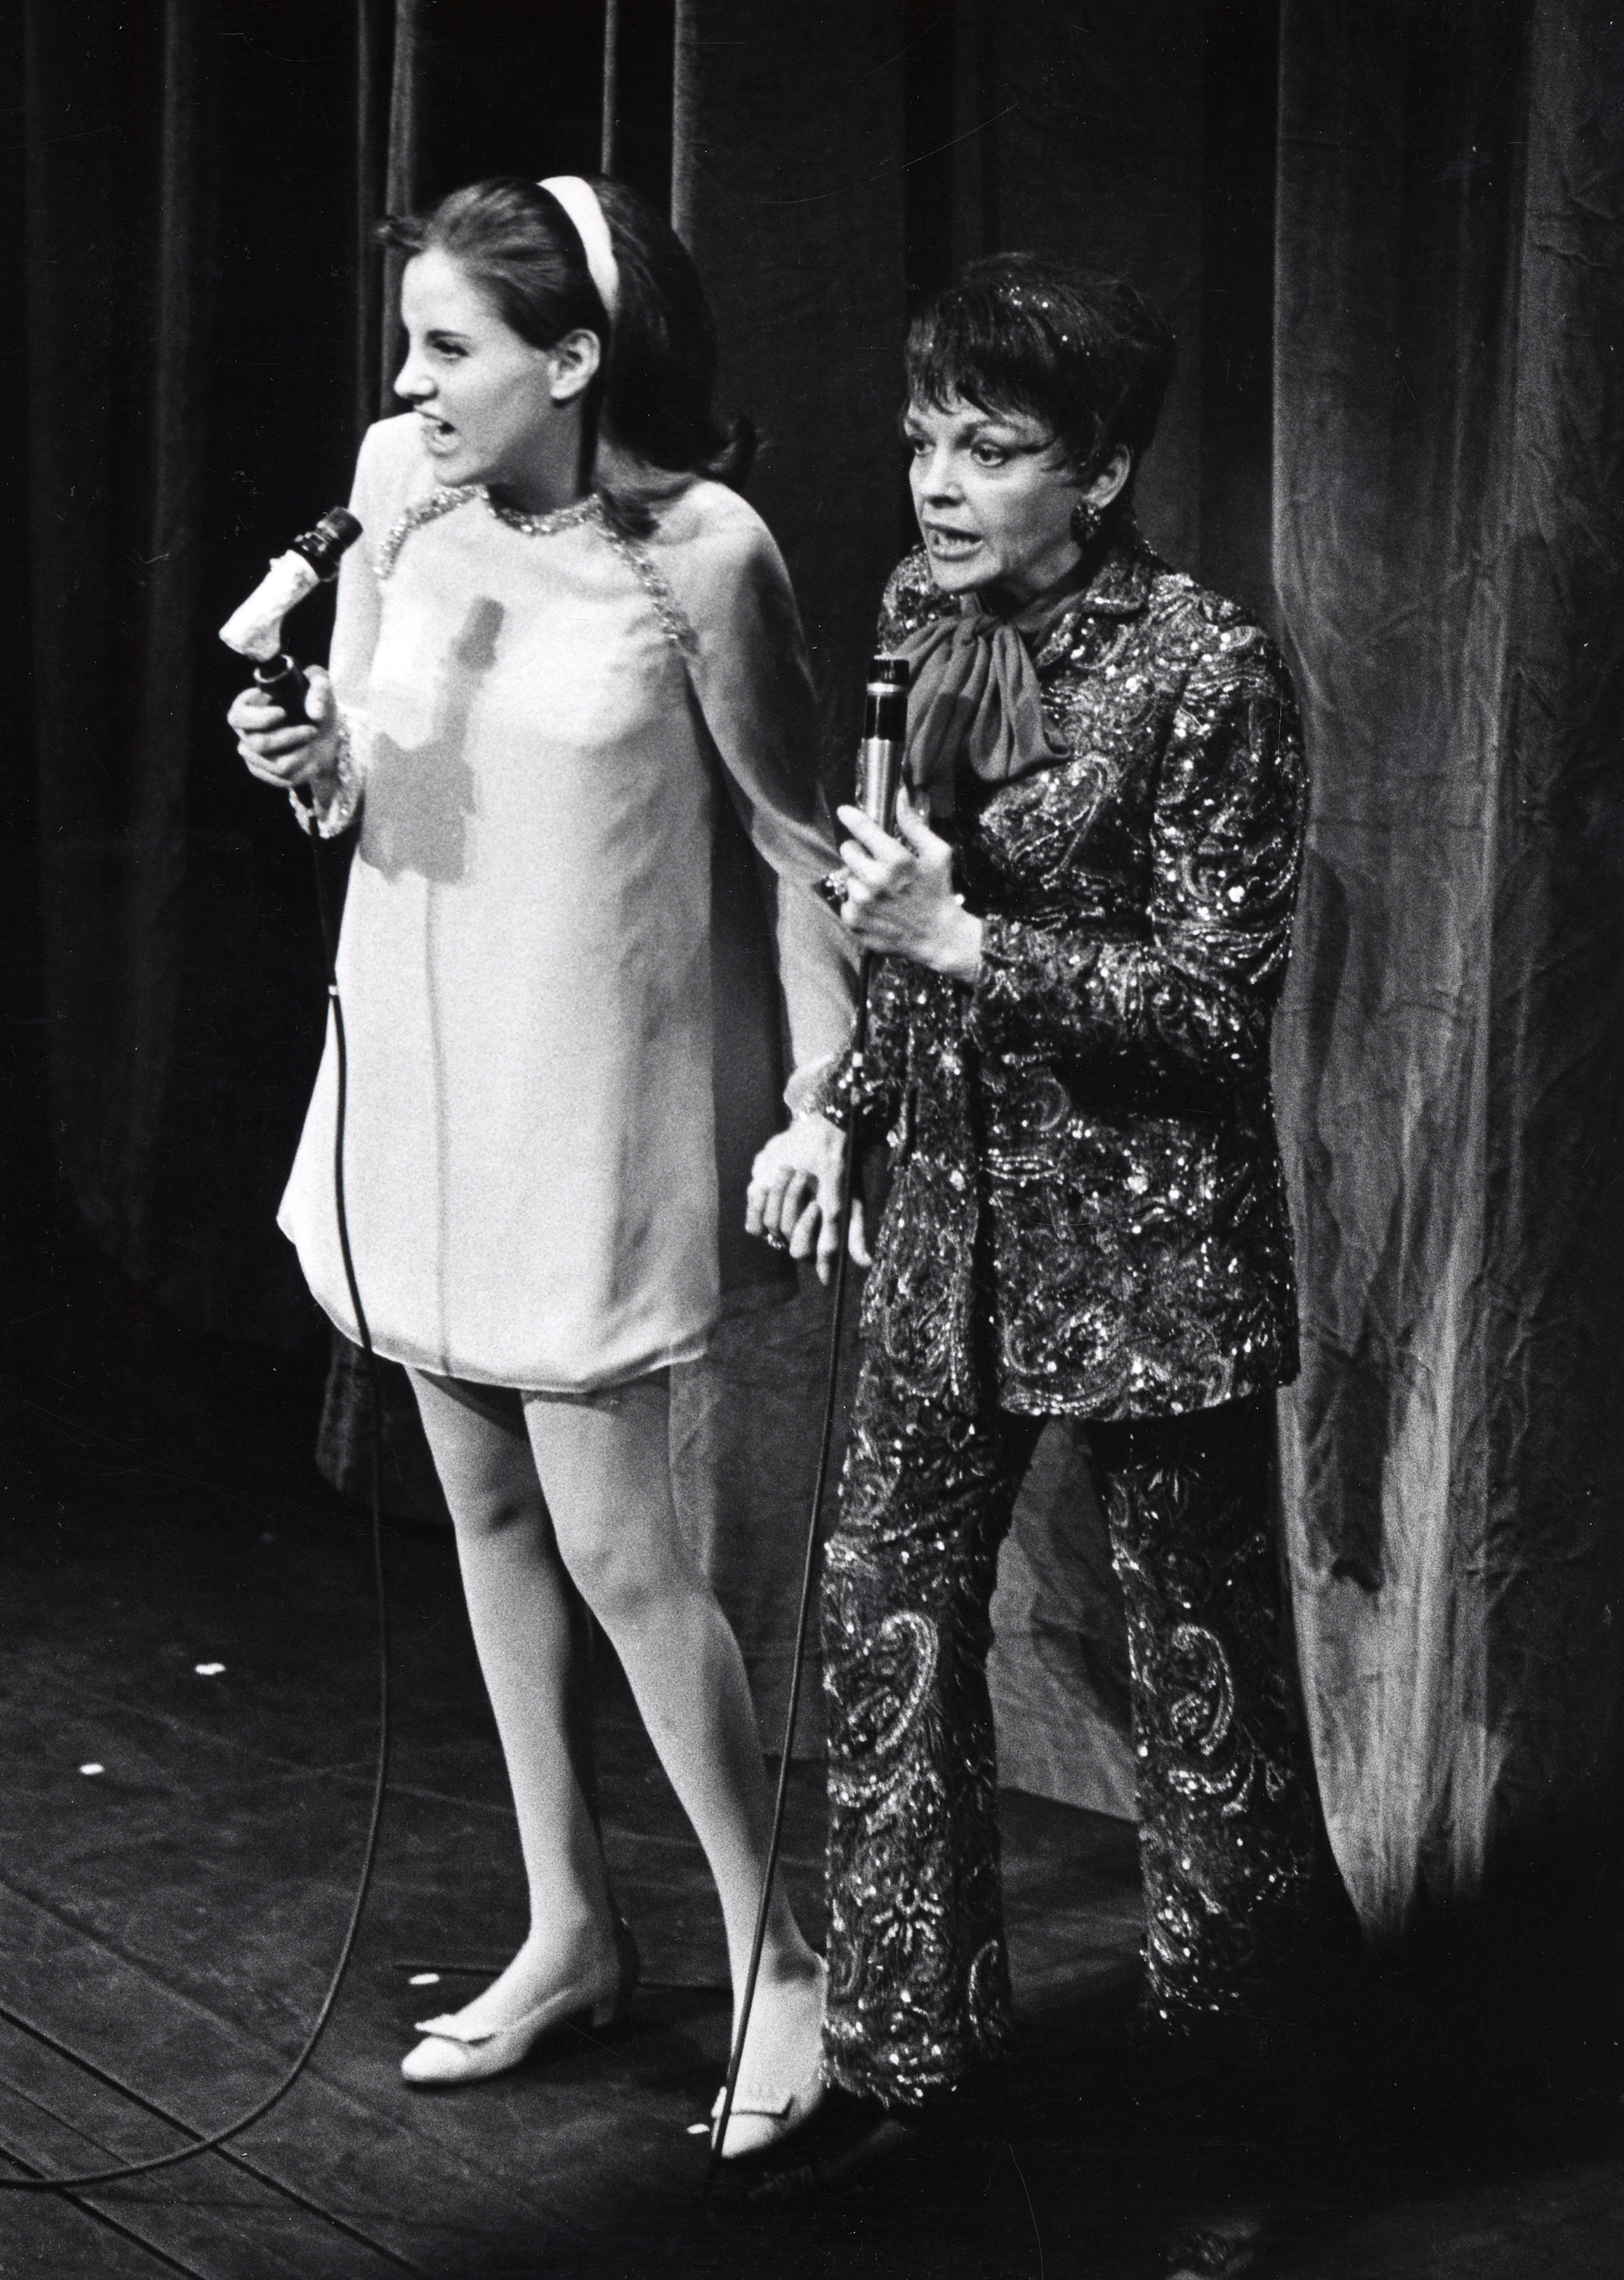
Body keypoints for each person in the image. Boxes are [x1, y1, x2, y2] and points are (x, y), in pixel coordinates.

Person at [230, 174, 852, 2154]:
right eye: (408, 343)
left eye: (450, 349)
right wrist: (306, 760)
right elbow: (370, 755)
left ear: (574, 364)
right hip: (416, 1062)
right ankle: (570, 1931)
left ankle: (783, 1970)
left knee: (618, 1553)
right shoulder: (391, 491)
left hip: (586, 1110)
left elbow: (794, 839)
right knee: (484, 1520)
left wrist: (828, 1097)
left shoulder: (707, 554)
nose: (409, 386)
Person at [749, 254, 1341, 2183]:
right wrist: (842, 1106)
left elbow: (1210, 1001)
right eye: (927, 438)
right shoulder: (920, 613)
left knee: (1197, 1666)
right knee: (885, 1620)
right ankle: (915, 2065)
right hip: (954, 1223)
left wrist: (968, 937)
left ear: (1095, 472)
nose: (937, 482)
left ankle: (1243, 2094)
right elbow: (894, 920)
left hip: (1150, 1246)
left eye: (991, 450)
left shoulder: (1205, 665)